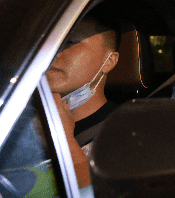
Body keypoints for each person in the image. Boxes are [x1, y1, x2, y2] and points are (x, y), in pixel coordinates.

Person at [46, 12, 120, 185]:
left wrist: (63, 138)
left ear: (109, 61)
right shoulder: (17, 113)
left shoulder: (125, 130)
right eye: (52, 42)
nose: (54, 51)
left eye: (71, 42)